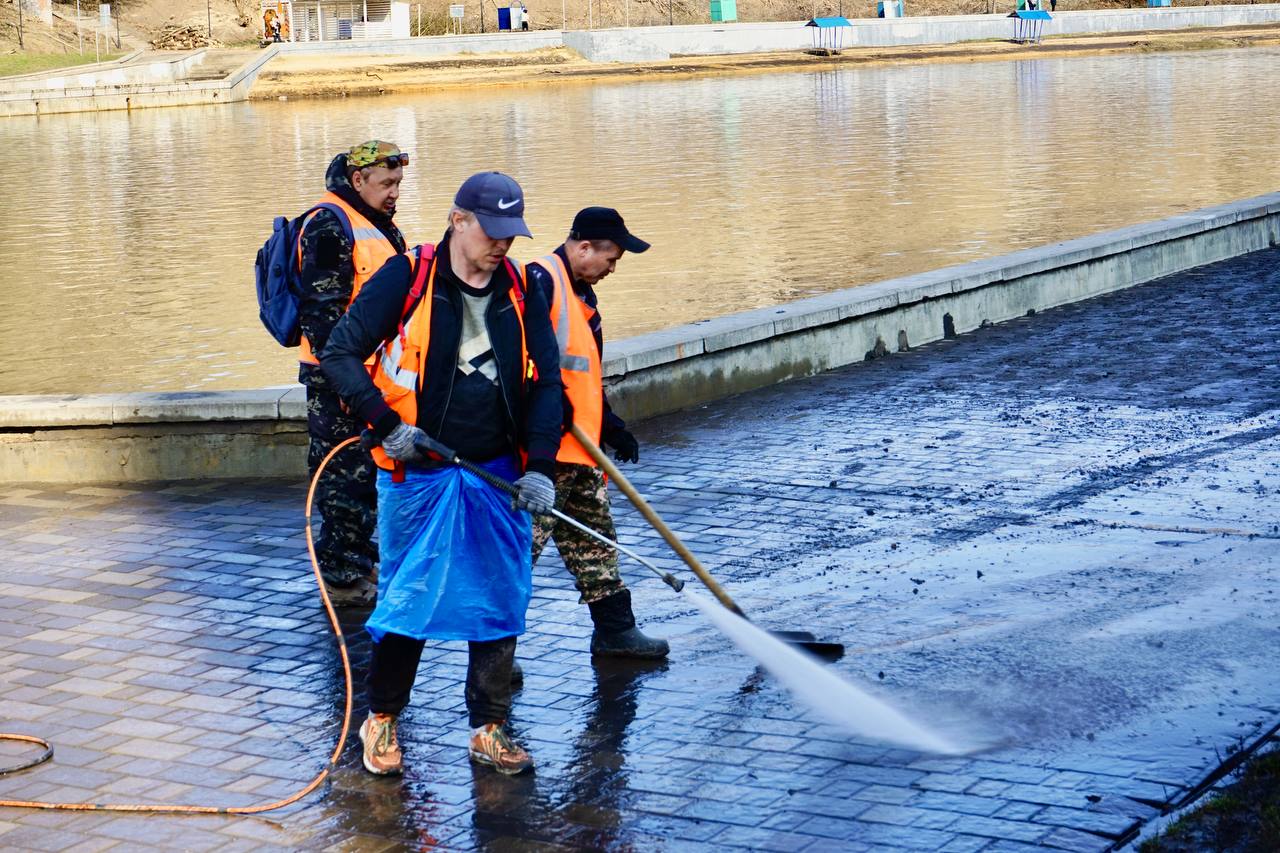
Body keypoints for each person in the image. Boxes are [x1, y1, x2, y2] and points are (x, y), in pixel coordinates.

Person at [320, 172, 562, 777]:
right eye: (491, 231)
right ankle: (381, 719)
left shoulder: (524, 288)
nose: (502, 244)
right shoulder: (409, 276)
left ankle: (488, 727)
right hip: (419, 475)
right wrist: (384, 426)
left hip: (498, 474)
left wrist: (540, 469)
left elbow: (548, 387)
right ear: (458, 220)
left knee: (500, 602)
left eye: (512, 233)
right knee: (411, 600)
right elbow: (338, 354)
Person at [524, 207, 669, 659]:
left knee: (597, 543)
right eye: (611, 258)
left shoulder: (582, 295)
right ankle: (492, 653)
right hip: (543, 456)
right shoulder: (539, 282)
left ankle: (615, 632)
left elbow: (583, 373)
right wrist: (547, 402)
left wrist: (611, 424)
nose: (612, 269)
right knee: (516, 554)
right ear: (583, 247)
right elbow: (520, 361)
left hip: (583, 451)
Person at [298, 141, 408, 607]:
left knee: (365, 472)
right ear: (359, 180)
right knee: (343, 476)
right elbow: (321, 314)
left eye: (398, 183)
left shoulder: (377, 223)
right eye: (386, 184)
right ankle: (342, 577)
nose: (394, 193)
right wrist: (346, 382)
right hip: (336, 379)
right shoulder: (328, 224)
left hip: (367, 374)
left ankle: (360, 560)